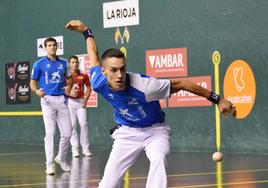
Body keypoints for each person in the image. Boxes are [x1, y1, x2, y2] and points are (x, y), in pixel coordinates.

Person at [65, 20, 236, 188]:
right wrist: (86, 31)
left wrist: (218, 99)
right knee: (108, 184)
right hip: (126, 132)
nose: (119, 75)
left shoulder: (146, 87)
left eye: (122, 69)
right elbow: (94, 57)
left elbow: (183, 84)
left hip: (155, 131)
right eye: (113, 70)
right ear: (104, 71)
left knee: (158, 158)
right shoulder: (98, 82)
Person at [30, 37, 73, 175]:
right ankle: (49, 165)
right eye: (49, 45)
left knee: (67, 133)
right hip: (47, 101)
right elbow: (32, 82)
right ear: (45, 48)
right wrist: (37, 91)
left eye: (54, 45)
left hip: (62, 100)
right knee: (50, 133)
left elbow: (70, 78)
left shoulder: (64, 63)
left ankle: (61, 158)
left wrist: (68, 86)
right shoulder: (39, 64)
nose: (53, 47)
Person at [68, 55, 92, 158]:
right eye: (73, 62)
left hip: (80, 102)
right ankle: (75, 149)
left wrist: (86, 100)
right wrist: (68, 93)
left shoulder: (83, 75)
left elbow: (89, 87)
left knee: (83, 124)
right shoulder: (66, 76)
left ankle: (85, 148)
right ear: (69, 64)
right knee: (72, 125)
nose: (75, 64)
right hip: (70, 103)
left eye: (76, 62)